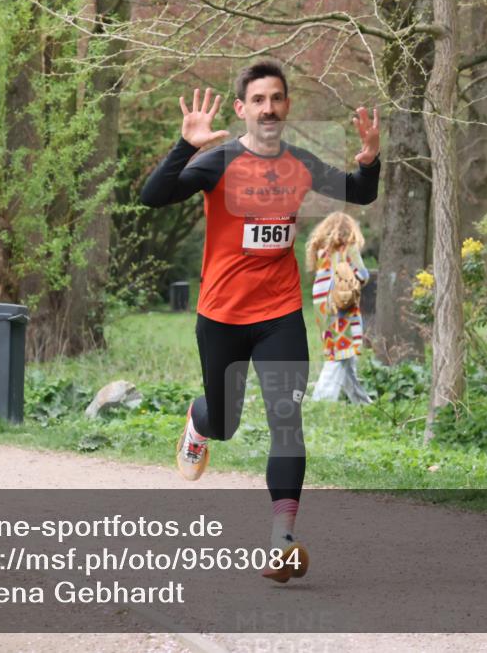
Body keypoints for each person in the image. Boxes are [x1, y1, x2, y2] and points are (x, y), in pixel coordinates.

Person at [139, 60, 381, 582]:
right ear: (241, 109)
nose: (268, 108)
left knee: (286, 426)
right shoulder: (218, 162)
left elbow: (359, 192)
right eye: (258, 100)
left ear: (286, 105)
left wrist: (370, 161)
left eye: (277, 98)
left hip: (279, 317)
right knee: (225, 422)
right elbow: (152, 196)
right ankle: (200, 421)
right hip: (222, 316)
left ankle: (282, 540)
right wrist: (186, 146)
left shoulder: (299, 162)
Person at [306, 212, 373, 404]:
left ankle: (361, 401)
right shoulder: (348, 249)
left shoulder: (320, 252)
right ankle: (322, 400)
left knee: (345, 354)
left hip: (322, 309)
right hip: (342, 307)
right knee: (339, 353)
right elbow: (363, 274)